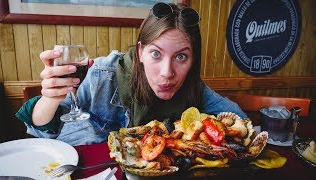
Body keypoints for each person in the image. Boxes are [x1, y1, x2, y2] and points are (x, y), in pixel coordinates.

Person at [16, 3, 247, 146]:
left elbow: (241, 122)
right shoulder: (102, 75)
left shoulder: (193, 87)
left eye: (181, 57)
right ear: (141, 52)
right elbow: (43, 129)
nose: (167, 73)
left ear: (193, 60)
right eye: (156, 54)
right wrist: (50, 98)